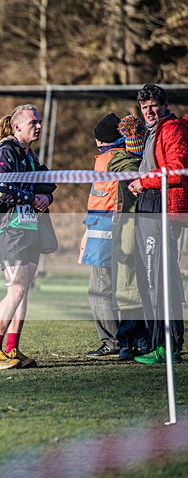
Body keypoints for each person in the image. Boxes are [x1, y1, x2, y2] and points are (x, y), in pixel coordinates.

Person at [0, 104, 55, 370]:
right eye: (33, 122)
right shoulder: (6, 151)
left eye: (40, 121)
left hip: (30, 227)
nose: (38, 126)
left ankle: (11, 349)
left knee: (24, 292)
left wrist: (46, 196)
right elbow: (1, 189)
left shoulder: (28, 154)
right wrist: (32, 197)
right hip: (10, 229)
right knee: (16, 289)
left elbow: (42, 183)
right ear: (17, 126)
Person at [127, 84, 188, 364]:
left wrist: (144, 182)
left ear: (163, 105)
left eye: (152, 105)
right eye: (143, 107)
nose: (148, 111)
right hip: (148, 202)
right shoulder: (152, 131)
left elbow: (175, 172)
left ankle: (168, 345)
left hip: (160, 205)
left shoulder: (172, 129)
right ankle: (161, 343)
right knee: (151, 276)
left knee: (158, 277)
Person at [78, 113, 124, 358]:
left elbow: (100, 199)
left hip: (103, 230)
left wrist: (88, 230)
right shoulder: (131, 155)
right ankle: (130, 339)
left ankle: (111, 340)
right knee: (123, 286)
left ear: (100, 140)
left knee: (99, 289)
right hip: (122, 229)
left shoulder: (106, 160)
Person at [107, 115, 150, 361]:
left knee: (143, 279)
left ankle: (141, 336)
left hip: (146, 222)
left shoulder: (143, 161)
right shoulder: (122, 161)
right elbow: (128, 170)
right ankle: (127, 339)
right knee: (126, 282)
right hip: (126, 225)